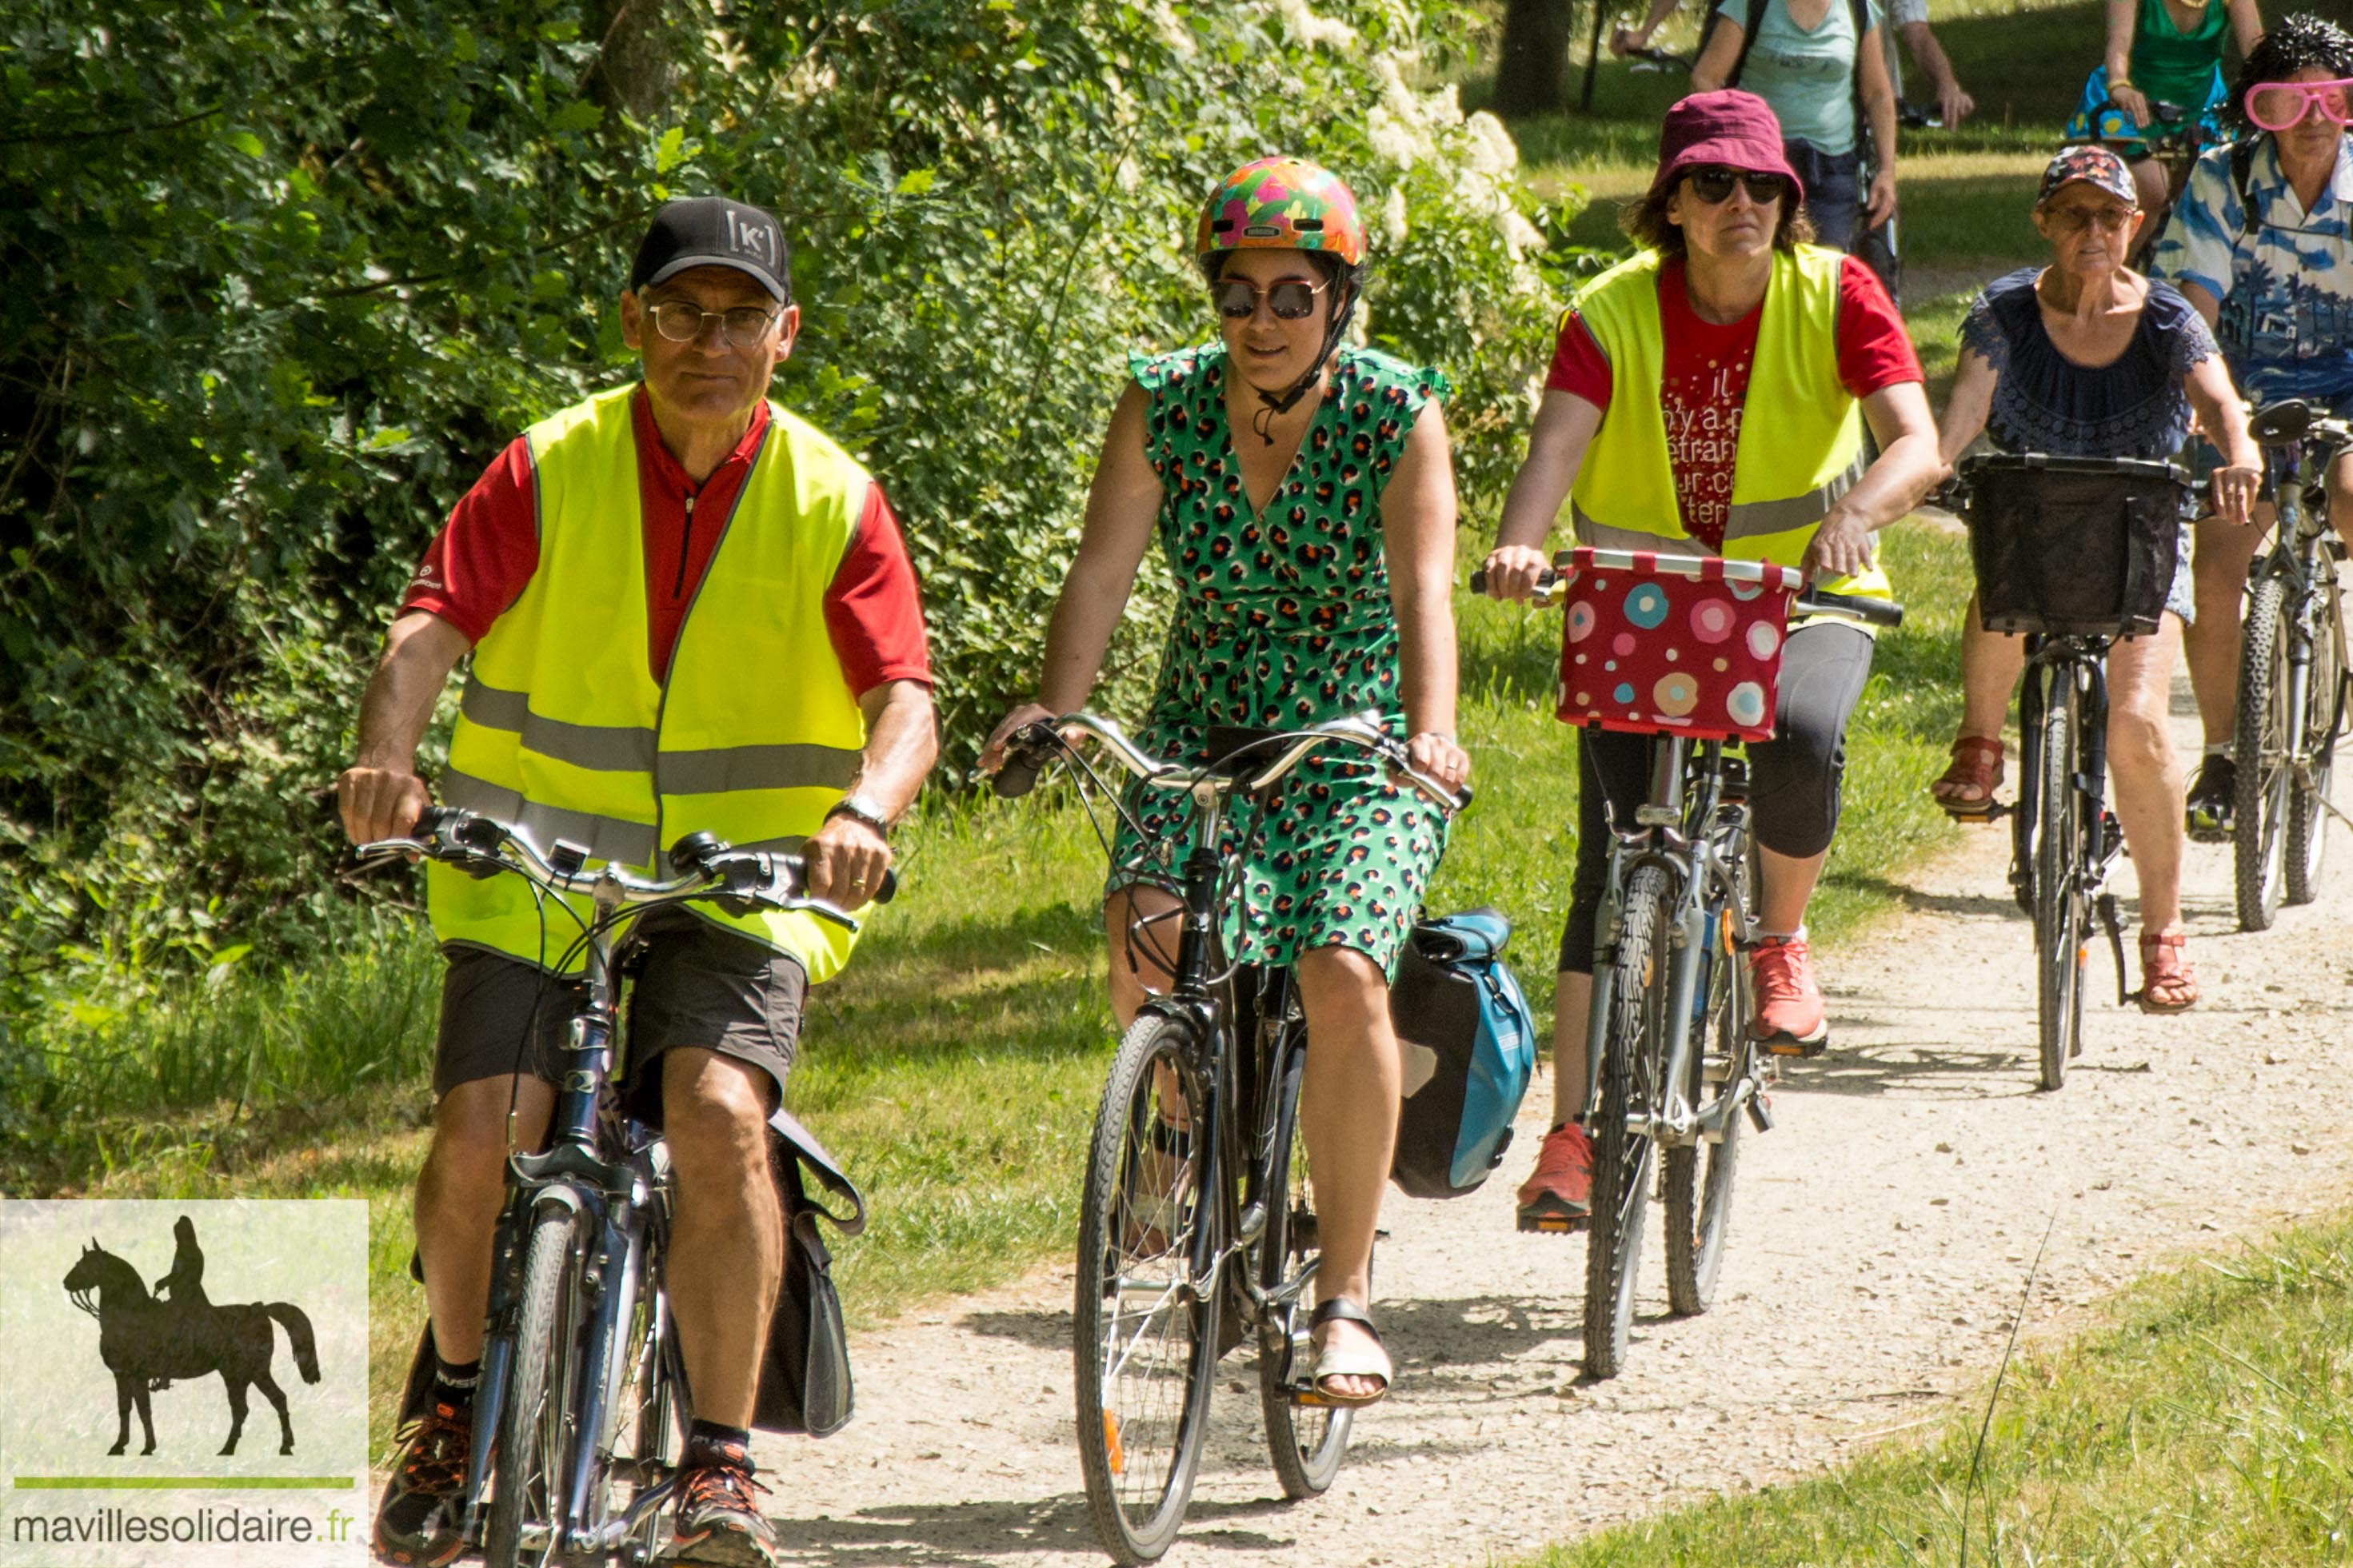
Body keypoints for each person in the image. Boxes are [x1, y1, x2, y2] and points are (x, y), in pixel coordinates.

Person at [341, 196, 938, 1568]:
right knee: (486, 1125)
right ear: (634, 324)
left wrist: (864, 807)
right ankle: (449, 1398)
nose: (707, 343)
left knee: (720, 1109)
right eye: (680, 312)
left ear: (783, 337)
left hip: (744, 883)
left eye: (739, 317)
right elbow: (430, 626)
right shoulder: (548, 466)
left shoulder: (829, 494)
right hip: (530, 864)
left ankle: (719, 1463)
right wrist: (386, 760)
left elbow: (903, 695)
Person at [980, 157, 1469, 1407]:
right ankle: (1182, 1128)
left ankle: (1344, 1298)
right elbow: (1102, 572)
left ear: (1338, 300)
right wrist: (1062, 709)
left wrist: (1430, 730)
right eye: (1237, 293)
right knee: (1147, 921)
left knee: (1340, 966)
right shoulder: (1163, 404)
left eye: (1291, 295)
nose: (1261, 321)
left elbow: (1423, 588)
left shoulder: (1394, 409)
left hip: (1354, 736)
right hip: (1204, 719)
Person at [1481, 90, 1940, 1231]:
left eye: (1763, 185)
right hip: (1649, 608)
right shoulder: (1608, 311)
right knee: (1609, 861)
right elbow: (1554, 448)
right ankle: (1575, 1132)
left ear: (1789, 200)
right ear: (1671, 204)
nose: (1741, 203)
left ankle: (1777, 939)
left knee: (1800, 736)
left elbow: (1916, 442)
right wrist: (1518, 545)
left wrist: (1863, 516)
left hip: (1805, 593)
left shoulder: (1834, 292)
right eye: (1713, 184)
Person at [1928, 146, 2260, 1011]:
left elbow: (2220, 401)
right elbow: (1961, 415)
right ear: (2042, 221)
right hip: (2036, 521)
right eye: (2072, 214)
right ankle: (1979, 741)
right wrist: (1930, 463)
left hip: (2138, 534)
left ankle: (2162, 933)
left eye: (2108, 217)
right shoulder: (2003, 311)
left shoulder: (2162, 318)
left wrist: (2238, 455)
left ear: (2133, 226)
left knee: (2136, 727)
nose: (2090, 232)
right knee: (2001, 570)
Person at [2148, 14, 2353, 838]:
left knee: (2349, 493)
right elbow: (2189, 314)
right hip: (2240, 393)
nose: (2308, 118)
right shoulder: (2217, 178)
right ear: (2253, 108)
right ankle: (2226, 753)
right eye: (2284, 101)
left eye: (2329, 99)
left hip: (2346, 394)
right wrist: (2220, 418)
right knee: (2218, 555)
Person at [1688, 0, 1903, 293]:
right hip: (1761, 169)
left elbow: (1878, 94)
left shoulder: (1857, 8)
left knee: (1823, 277)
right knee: (1760, 273)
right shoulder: (1751, 4)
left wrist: (1887, 172)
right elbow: (1706, 77)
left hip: (1832, 166)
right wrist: (1733, 141)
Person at [1616, 0, 1976, 130]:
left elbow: (1916, 30)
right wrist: (1644, 33)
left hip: (1863, 95)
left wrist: (1947, 84)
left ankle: (1881, 283)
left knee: (1878, 199)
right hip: (1764, 85)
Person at [2067, 0, 2264, 219]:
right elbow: (2118, 42)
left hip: (2202, 107)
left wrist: (2276, 93)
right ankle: (2121, 253)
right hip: (2130, 105)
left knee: (2217, 188)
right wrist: (2119, 85)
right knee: (2152, 188)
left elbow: (2257, 52)